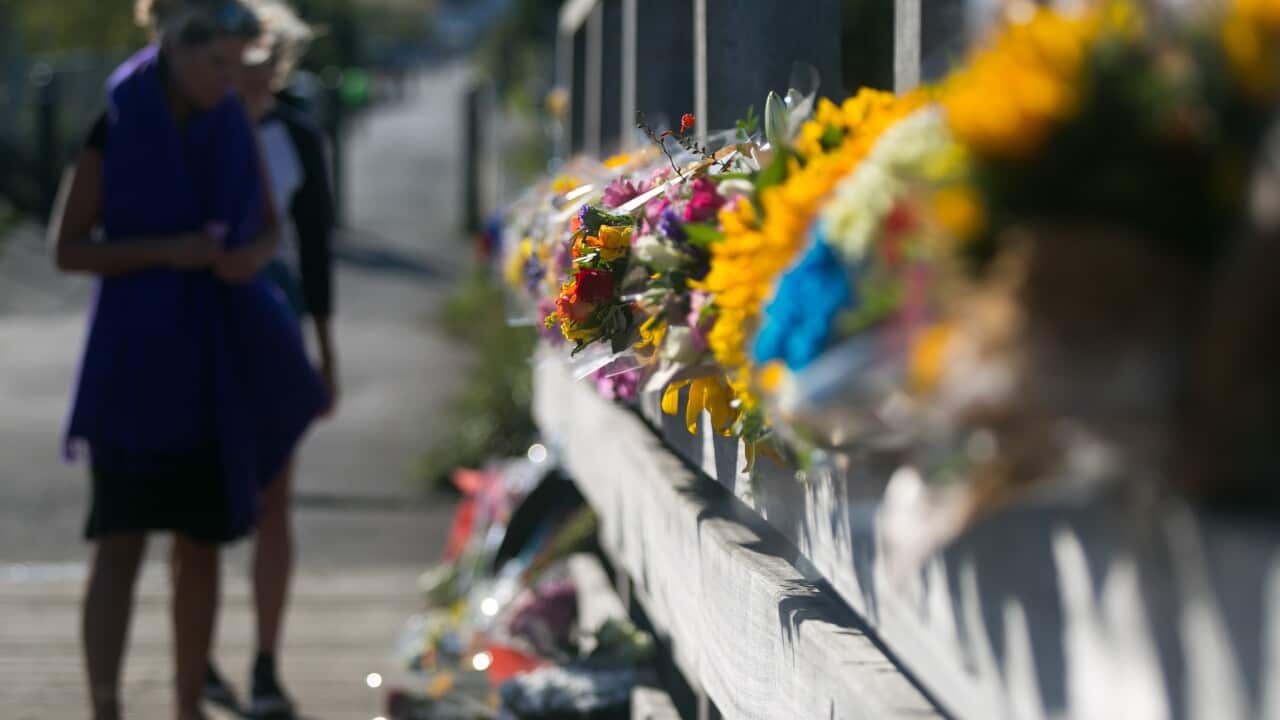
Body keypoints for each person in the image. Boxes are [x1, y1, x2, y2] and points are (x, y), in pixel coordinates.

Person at [50, 1, 326, 718]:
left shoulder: (233, 121)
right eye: (219, 64)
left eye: (239, 65)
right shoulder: (117, 121)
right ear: (175, 48)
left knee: (200, 546)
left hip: (211, 359)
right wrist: (168, 253)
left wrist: (246, 262)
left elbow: (269, 230)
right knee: (118, 544)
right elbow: (67, 247)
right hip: (132, 359)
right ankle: (105, 705)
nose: (232, 79)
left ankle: (185, 707)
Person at [201, 3, 338, 717]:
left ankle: (264, 659)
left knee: (275, 495)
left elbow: (315, 251)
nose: (247, 66)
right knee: (199, 496)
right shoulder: (193, 122)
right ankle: (196, 657)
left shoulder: (297, 135)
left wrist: (326, 350)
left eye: (258, 52)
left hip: (275, 313)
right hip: (201, 315)